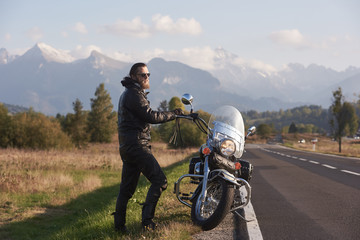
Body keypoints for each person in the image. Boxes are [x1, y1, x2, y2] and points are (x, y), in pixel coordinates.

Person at [113, 62, 183, 233]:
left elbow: (145, 114)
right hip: (137, 146)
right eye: (143, 75)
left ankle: (119, 228)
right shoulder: (133, 94)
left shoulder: (130, 93)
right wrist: (173, 114)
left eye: (148, 74)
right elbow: (150, 115)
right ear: (133, 77)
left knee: (127, 190)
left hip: (128, 146)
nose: (146, 77)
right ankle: (147, 223)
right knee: (160, 180)